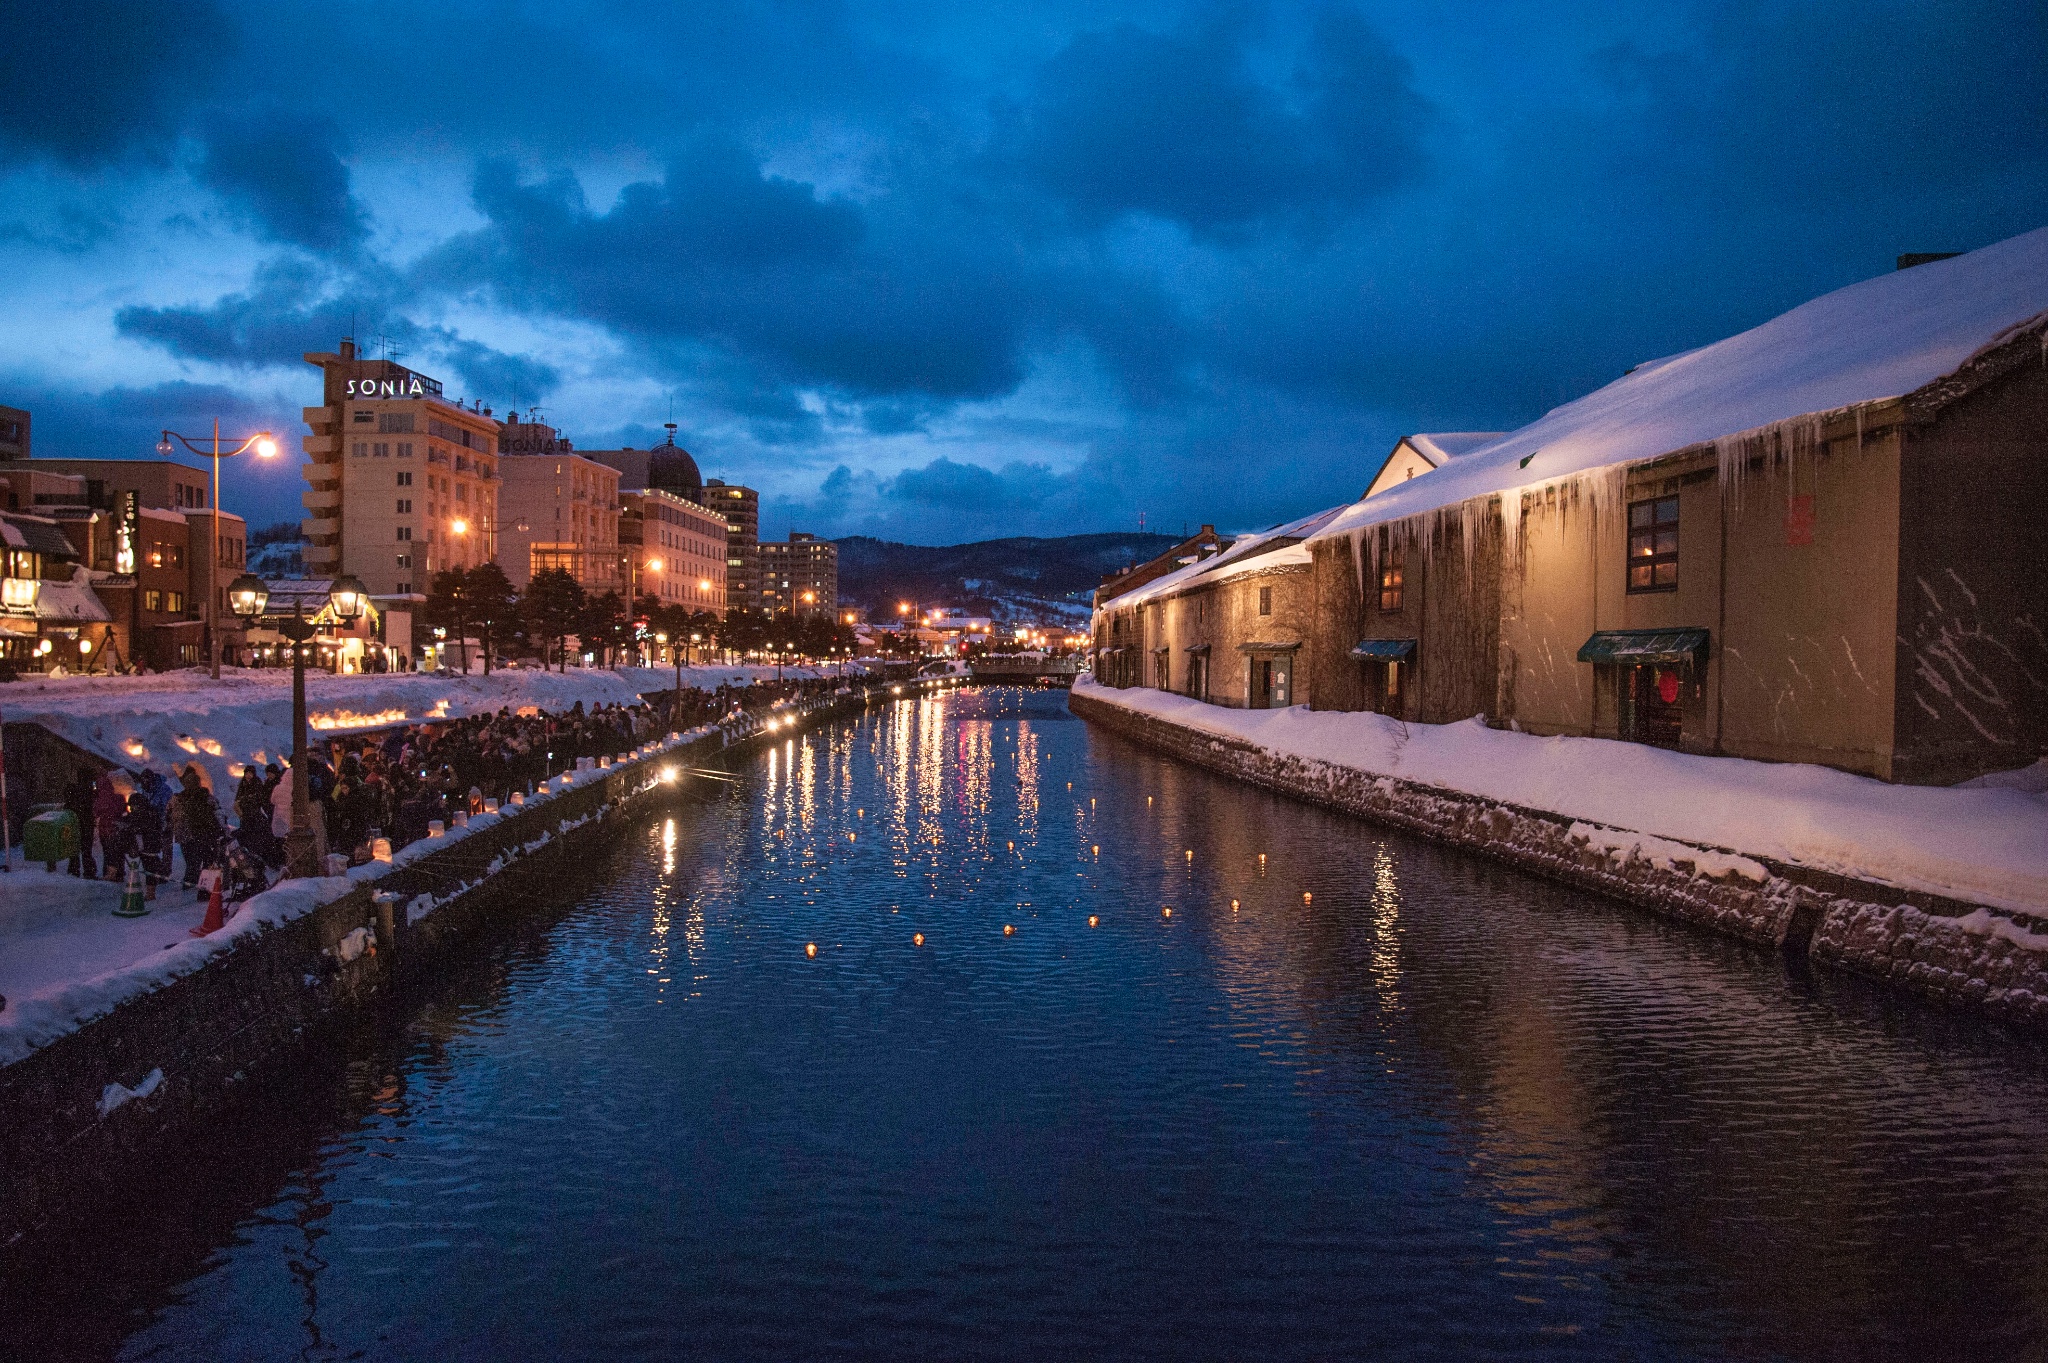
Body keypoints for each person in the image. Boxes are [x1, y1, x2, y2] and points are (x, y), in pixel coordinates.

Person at [169, 765, 223, 896]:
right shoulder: (206, 796)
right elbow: (218, 814)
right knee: (206, 860)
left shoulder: (178, 799)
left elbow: (170, 815)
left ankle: (189, 884)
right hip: (202, 833)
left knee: (191, 861)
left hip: (184, 835)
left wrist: (173, 828)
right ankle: (204, 887)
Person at [63, 768, 99, 879]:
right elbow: (94, 797)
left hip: (75, 821)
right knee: (86, 849)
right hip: (86, 822)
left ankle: (74, 870)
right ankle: (89, 871)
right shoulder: (89, 790)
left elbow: (67, 805)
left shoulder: (73, 790)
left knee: (74, 847)